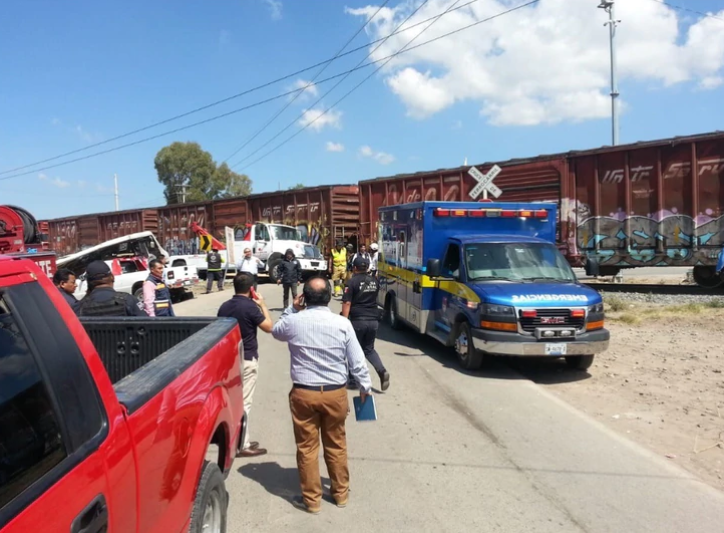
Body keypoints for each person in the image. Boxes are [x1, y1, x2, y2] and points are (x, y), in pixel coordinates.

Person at [272, 277, 372, 514]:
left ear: (304, 297)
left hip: (303, 394)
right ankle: (340, 495)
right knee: (336, 445)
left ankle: (312, 501)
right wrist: (365, 386)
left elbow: (276, 331)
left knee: (307, 448)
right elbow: (357, 361)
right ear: (329, 297)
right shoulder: (342, 324)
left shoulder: (293, 321)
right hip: (334, 394)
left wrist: (291, 309)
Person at [218, 272, 273, 458]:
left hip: (229, 359)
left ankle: (239, 438)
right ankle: (243, 444)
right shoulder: (250, 307)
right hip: (247, 358)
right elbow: (269, 327)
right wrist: (263, 305)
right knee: (245, 402)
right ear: (252, 289)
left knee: (234, 400)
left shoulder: (224, 307)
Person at [342, 256, 390, 391]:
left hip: (358, 320)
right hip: (373, 320)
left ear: (354, 268)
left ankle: (352, 380)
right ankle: (381, 370)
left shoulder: (351, 282)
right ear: (367, 268)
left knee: (352, 349)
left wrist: (344, 321)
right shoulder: (374, 281)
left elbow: (347, 302)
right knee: (369, 349)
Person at [75, 260, 148, 317]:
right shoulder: (129, 300)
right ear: (112, 277)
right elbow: (147, 326)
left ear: (88, 282)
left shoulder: (80, 307)